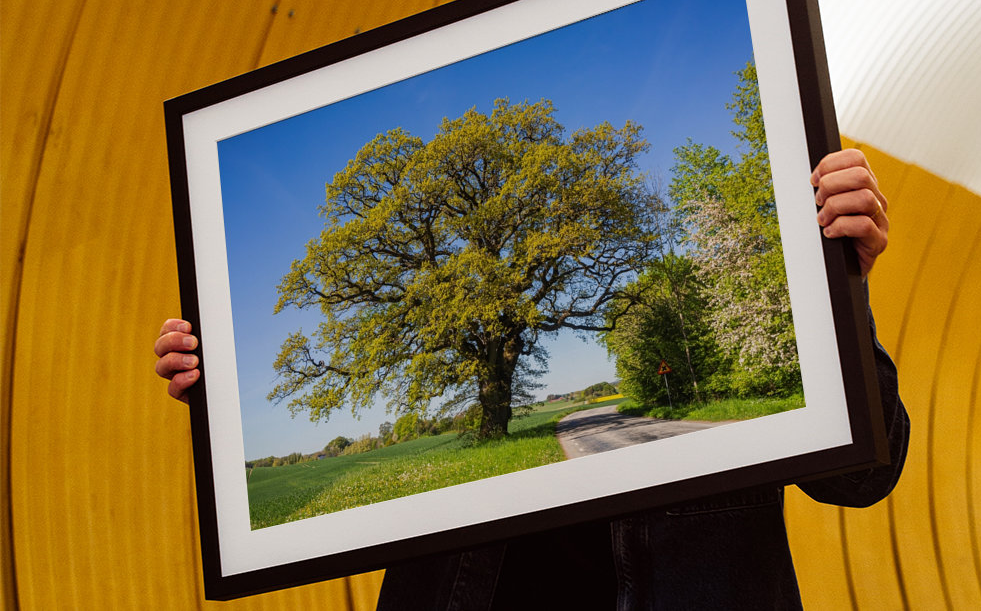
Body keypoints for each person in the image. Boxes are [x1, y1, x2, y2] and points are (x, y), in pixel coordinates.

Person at [154, 149, 908, 610]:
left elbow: (865, 476)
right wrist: (224, 399)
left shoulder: (758, 273)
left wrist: (840, 286)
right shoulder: (460, 308)